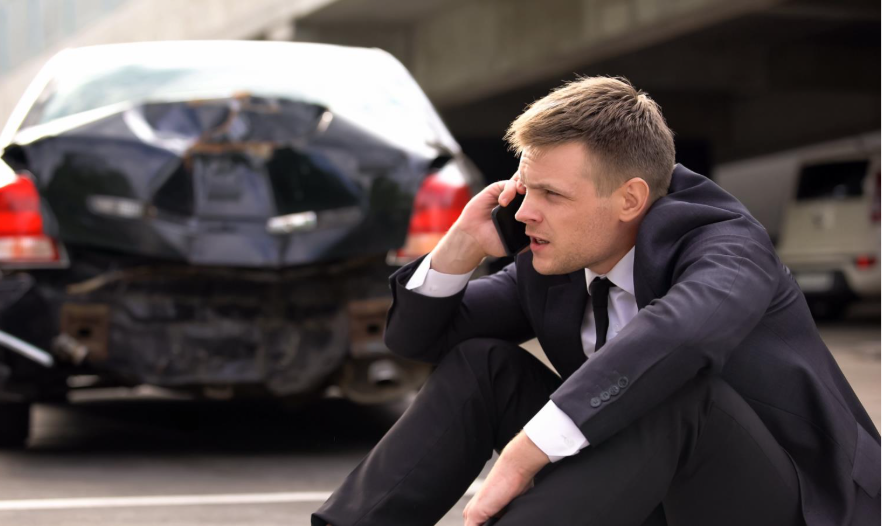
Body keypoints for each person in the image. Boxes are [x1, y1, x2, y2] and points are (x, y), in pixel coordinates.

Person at [311, 76, 882, 526]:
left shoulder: (725, 243)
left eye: (552, 195)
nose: (526, 211)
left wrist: (525, 452)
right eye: (525, 188)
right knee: (481, 367)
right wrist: (460, 245)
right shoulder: (554, 263)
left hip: (800, 504)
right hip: (652, 495)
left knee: (677, 389)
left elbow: (680, 337)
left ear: (630, 199)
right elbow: (417, 339)